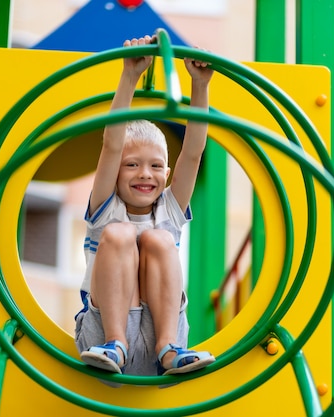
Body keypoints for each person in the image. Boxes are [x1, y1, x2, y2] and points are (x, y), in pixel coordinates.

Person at [74, 35, 216, 377]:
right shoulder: (105, 209)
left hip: (161, 330)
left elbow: (193, 152)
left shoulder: (169, 210)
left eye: (155, 166)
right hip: (103, 329)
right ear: (115, 172)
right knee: (119, 234)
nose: (144, 174)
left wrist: (200, 87)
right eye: (132, 164)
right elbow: (111, 145)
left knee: (159, 239)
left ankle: (169, 349)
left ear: (167, 174)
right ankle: (116, 343)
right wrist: (129, 76)